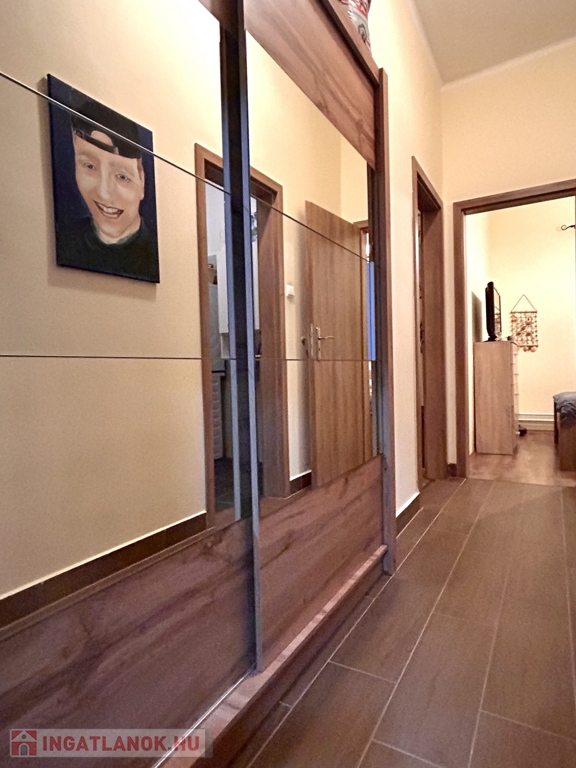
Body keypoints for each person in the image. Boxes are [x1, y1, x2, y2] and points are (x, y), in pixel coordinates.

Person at [55, 92, 159, 282]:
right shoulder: (66, 240)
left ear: (141, 179)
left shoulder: (154, 253)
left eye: (122, 176)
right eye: (89, 166)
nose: (104, 193)